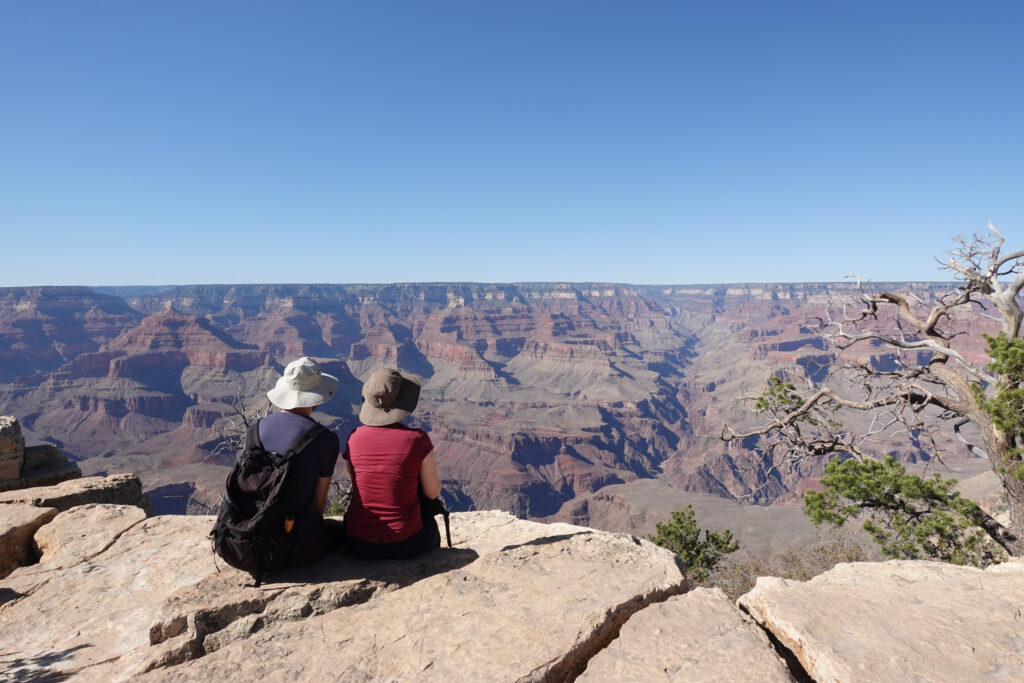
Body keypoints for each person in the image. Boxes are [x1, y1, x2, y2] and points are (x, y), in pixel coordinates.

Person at [341, 367, 442, 560]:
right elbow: (432, 493)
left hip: (357, 543)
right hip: (406, 543)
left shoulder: (353, 438)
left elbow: (355, 482)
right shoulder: (418, 439)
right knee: (430, 523)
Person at [260, 356, 344, 566]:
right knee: (343, 532)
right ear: (315, 397)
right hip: (294, 546)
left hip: (250, 538)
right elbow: (318, 504)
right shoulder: (325, 439)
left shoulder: (253, 431)